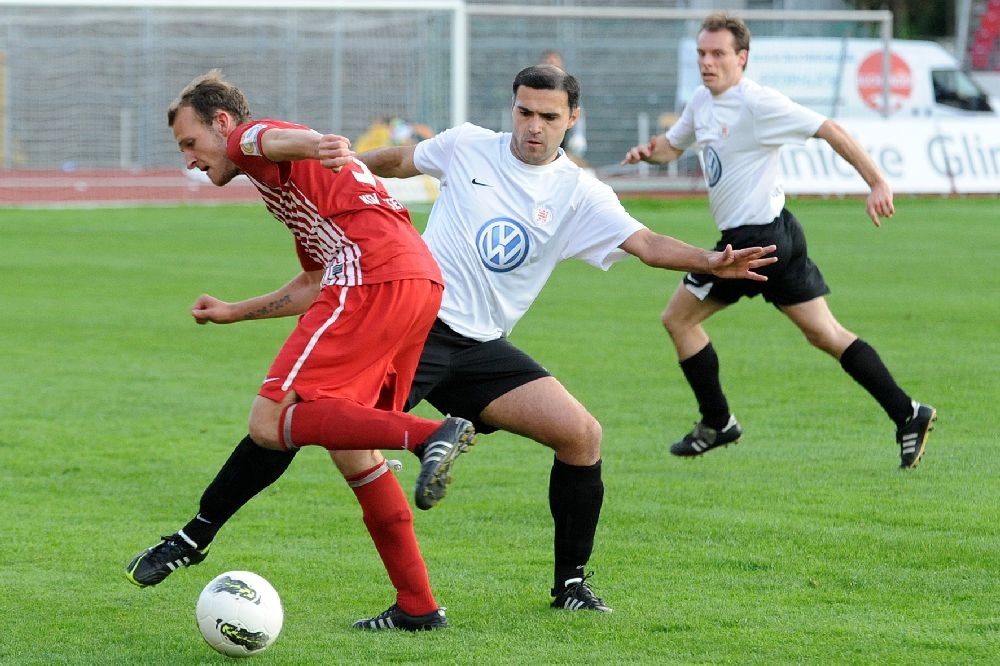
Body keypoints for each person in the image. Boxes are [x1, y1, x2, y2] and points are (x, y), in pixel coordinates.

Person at [124, 64, 777, 619]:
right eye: (524, 112)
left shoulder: (581, 193)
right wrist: (343, 176)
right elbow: (390, 164)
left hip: (472, 340)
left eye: (548, 117)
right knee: (324, 433)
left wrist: (709, 259)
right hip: (418, 323)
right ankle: (412, 603)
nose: (533, 126)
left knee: (581, 435)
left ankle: (569, 586)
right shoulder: (469, 145)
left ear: (570, 119)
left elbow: (646, 243)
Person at [124, 70, 477, 631]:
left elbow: (266, 138)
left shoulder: (250, 140)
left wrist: (317, 143)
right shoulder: (294, 189)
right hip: (417, 280)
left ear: (221, 122)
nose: (190, 159)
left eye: (190, 143)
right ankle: (417, 605)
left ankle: (430, 435)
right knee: (351, 447)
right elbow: (314, 282)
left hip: (370, 272)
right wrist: (235, 311)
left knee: (270, 420)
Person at [622, 13, 936, 468]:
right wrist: (650, 154)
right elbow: (674, 145)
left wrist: (877, 182)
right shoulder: (701, 101)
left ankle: (718, 422)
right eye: (702, 54)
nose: (707, 62)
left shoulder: (757, 103)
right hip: (779, 234)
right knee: (825, 334)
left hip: (751, 244)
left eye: (718, 54)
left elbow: (829, 129)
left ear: (742, 58)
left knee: (678, 320)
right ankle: (908, 413)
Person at [540, 50, 587, 166]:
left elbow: (577, 111)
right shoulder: (535, 87)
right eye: (548, 64)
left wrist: (578, 135)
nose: (552, 67)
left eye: (555, 64)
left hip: (562, 135)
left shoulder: (568, 88)